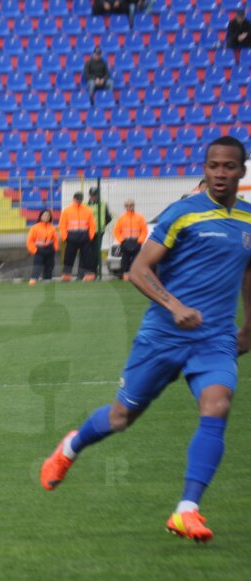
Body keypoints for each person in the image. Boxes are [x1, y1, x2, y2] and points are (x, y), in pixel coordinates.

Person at [41, 136, 251, 543]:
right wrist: (174, 307)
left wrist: (250, 328)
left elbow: (248, 275)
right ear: (204, 170)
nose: (220, 173)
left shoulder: (249, 220)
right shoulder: (182, 213)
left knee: (218, 405)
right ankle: (71, 446)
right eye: (213, 166)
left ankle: (186, 510)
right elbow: (138, 270)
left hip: (215, 338)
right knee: (122, 418)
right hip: (163, 335)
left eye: (228, 166)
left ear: (242, 171)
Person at [59, 190, 97, 281]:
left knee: (87, 257)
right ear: (74, 199)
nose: (79, 201)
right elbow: (62, 225)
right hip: (71, 237)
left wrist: (90, 236)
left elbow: (92, 224)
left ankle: (89, 275)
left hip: (84, 236)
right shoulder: (67, 210)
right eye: (77, 199)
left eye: (80, 199)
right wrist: (65, 237)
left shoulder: (87, 210)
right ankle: (67, 275)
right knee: (69, 256)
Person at [113, 198, 148, 280]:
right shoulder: (121, 218)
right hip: (125, 242)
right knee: (125, 259)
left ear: (134, 206)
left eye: (131, 205)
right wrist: (122, 240)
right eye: (128, 206)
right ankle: (126, 275)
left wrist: (140, 241)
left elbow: (144, 230)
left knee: (136, 260)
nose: (130, 207)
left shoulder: (139, 217)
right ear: (125, 207)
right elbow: (116, 231)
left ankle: (135, 275)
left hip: (136, 242)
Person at [26, 209, 58, 284]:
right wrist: (35, 250)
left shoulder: (52, 227)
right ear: (40, 216)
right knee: (37, 265)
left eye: (48, 215)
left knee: (50, 266)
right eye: (44, 215)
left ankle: (47, 280)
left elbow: (55, 240)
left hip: (50, 250)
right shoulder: (35, 227)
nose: (46, 217)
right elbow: (30, 241)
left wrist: (54, 248)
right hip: (39, 250)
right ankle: (34, 280)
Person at [87, 185, 112, 275]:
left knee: (96, 252)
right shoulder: (85, 205)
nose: (93, 196)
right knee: (88, 252)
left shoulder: (103, 204)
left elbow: (108, 217)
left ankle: (94, 270)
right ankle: (88, 270)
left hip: (99, 231)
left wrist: (102, 225)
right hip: (88, 231)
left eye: (95, 195)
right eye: (92, 195)